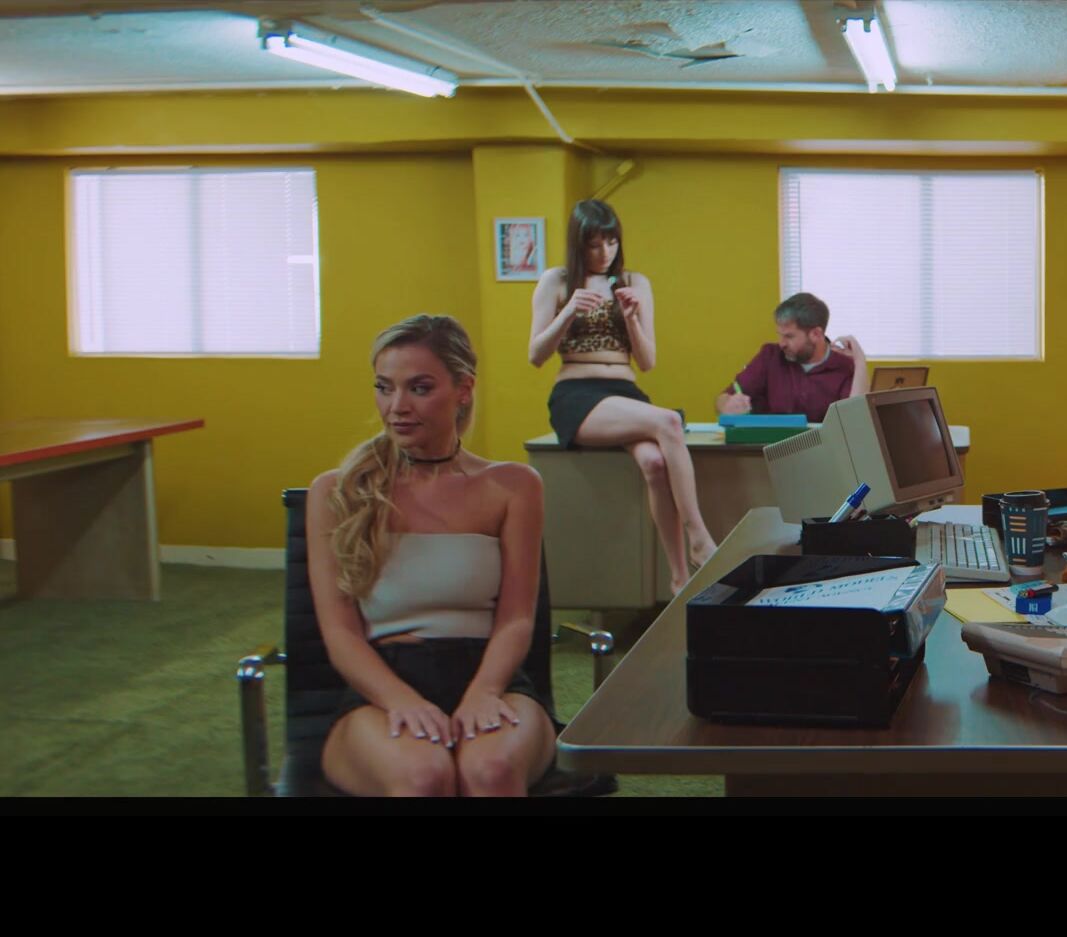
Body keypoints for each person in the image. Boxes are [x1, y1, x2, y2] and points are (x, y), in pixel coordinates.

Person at [308, 315, 555, 796]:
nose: (397, 407)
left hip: (491, 675)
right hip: (382, 685)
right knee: (424, 777)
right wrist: (401, 699)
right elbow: (340, 634)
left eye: (419, 388)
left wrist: (484, 690)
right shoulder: (338, 492)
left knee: (491, 772)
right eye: (384, 388)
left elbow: (517, 619)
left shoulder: (514, 486)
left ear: (463, 390)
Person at [530, 198, 717, 594]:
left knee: (654, 463)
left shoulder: (634, 282)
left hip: (624, 390)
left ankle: (679, 577)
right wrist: (567, 312)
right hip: (576, 392)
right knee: (669, 421)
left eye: (611, 242)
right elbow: (536, 355)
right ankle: (699, 536)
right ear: (578, 244)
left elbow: (647, 362)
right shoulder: (557, 281)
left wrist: (631, 319)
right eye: (594, 245)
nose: (605, 253)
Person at [715, 292, 870, 422]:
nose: (781, 343)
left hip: (823, 448)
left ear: (816, 334)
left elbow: (854, 421)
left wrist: (860, 362)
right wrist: (726, 406)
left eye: (789, 336)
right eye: (780, 335)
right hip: (771, 447)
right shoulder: (770, 356)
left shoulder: (844, 366)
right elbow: (723, 398)